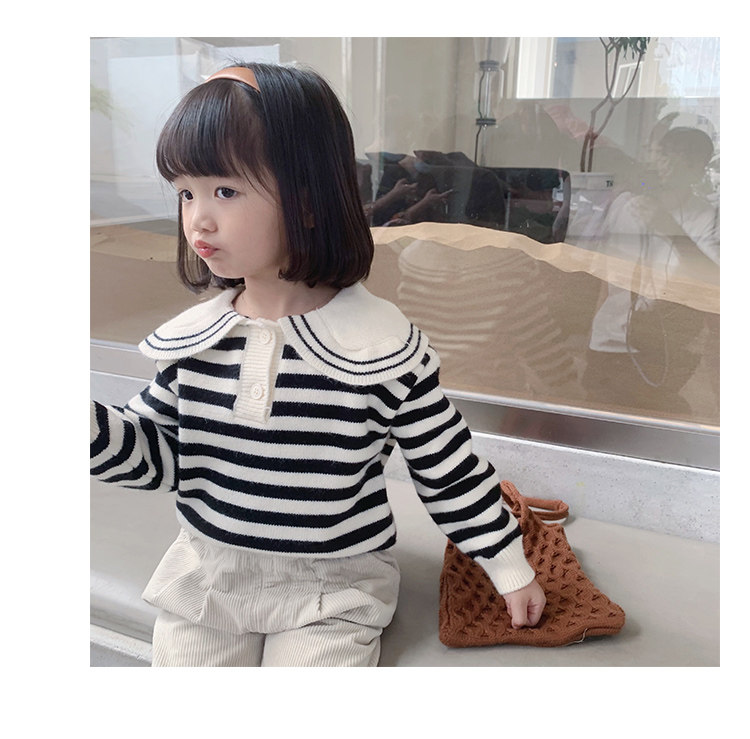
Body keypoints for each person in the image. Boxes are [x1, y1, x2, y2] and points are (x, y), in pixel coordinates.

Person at [90, 62, 545, 667]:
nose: (198, 218)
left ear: (308, 200)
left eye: (225, 191)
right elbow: (159, 459)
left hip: (334, 585)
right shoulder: (193, 344)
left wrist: (508, 565)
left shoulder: (379, 350)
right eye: (185, 193)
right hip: (210, 576)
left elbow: (447, 467)